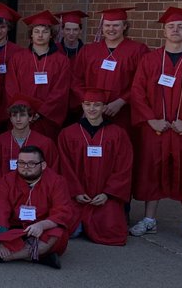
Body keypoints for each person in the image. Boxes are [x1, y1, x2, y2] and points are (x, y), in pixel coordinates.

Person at [129, 7, 182, 245]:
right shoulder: (150, 59)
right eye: (171, 26)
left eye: (180, 26)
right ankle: (149, 220)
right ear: (164, 31)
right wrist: (150, 119)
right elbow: (137, 91)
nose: (175, 30)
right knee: (151, 169)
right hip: (155, 128)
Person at [0, 144, 76, 269]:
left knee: (55, 234)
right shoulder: (7, 180)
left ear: (43, 165)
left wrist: (41, 225)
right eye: (21, 163)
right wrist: (3, 240)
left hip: (40, 231)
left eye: (31, 163)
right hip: (13, 229)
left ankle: (2, 256)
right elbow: (1, 209)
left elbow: (62, 211)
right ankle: (38, 257)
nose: (25, 167)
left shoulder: (57, 181)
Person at [57, 88, 134, 246]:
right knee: (68, 229)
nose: (92, 108)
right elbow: (64, 167)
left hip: (105, 198)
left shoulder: (118, 134)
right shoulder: (68, 134)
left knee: (112, 233)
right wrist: (76, 192)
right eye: (88, 104)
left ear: (104, 107)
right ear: (82, 106)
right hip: (77, 198)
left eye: (97, 105)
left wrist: (107, 194)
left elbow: (123, 168)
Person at [71, 7, 149, 136]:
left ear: (124, 26)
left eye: (116, 25)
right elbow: (76, 79)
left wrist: (122, 101)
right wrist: (89, 103)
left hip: (122, 112)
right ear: (102, 27)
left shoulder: (138, 50)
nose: (111, 29)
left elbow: (142, 82)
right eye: (107, 25)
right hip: (91, 112)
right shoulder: (88, 50)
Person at [6, 10, 70, 138]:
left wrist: (41, 112)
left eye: (45, 32)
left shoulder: (61, 61)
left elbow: (60, 91)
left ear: (51, 35)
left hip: (47, 119)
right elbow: (11, 87)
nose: (40, 35)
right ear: (31, 34)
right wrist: (24, 110)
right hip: (21, 116)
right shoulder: (17, 58)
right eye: (36, 31)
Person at [0, 94, 55, 200]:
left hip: (38, 199)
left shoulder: (45, 143)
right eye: (14, 115)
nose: (18, 119)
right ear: (10, 118)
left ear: (31, 117)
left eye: (23, 115)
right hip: (6, 198)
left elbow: (50, 175)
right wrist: (1, 202)